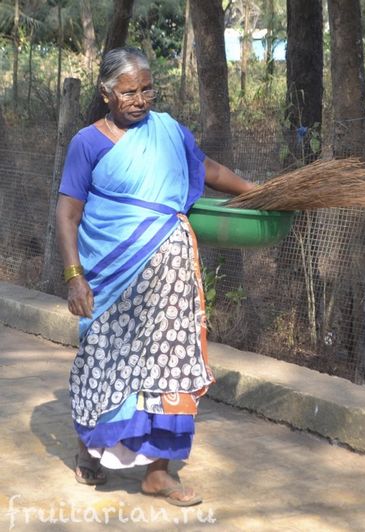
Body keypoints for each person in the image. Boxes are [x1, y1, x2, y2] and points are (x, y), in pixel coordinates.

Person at [56, 47, 254, 506]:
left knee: (168, 368)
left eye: (147, 88)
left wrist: (261, 192)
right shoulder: (88, 143)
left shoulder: (167, 131)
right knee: (103, 361)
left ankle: (158, 473)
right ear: (106, 93)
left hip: (171, 281)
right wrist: (73, 277)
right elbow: (67, 213)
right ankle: (90, 450)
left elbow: (207, 170)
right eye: (129, 91)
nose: (140, 99)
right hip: (109, 280)